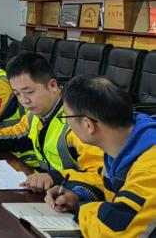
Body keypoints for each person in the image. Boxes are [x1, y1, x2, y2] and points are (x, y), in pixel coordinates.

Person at [0, 53, 103, 192]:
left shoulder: (77, 120)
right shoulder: (36, 114)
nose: (24, 101)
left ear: (52, 85)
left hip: (77, 199)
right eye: (18, 94)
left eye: (29, 92)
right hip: (48, 191)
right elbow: (14, 133)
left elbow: (100, 176)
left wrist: (54, 177)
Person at [44, 76, 155, 238]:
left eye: (66, 118)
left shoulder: (150, 168)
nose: (68, 125)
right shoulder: (125, 143)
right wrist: (78, 196)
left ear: (88, 125)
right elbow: (109, 185)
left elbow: (114, 231)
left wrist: (82, 208)